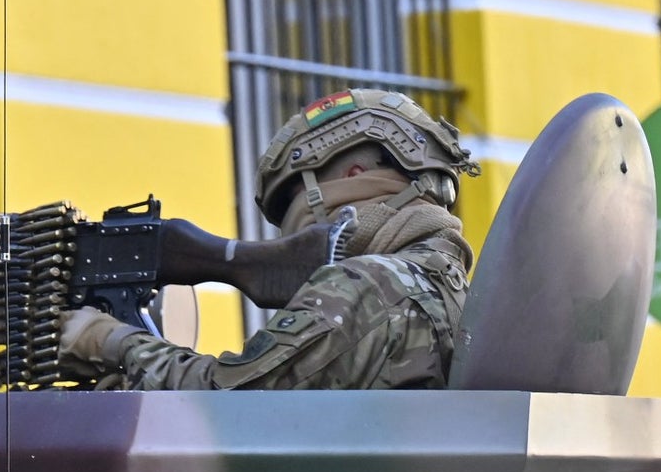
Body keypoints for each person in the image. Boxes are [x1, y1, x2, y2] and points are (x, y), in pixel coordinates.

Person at [57, 88, 481, 390]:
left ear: (352, 179)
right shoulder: (456, 292)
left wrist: (111, 341)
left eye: (294, 200)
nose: (294, 232)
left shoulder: (370, 288)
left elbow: (235, 407)